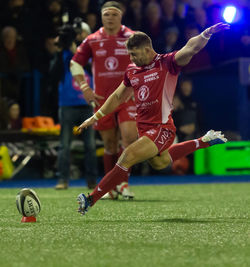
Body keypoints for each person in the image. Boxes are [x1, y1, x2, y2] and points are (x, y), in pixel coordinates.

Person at [76, 22, 230, 215]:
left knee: (127, 156)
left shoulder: (167, 63)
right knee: (160, 163)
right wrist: (94, 117)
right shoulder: (132, 71)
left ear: (147, 50)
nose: (131, 58)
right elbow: (117, 97)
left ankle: (90, 200)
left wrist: (206, 33)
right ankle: (203, 141)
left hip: (162, 128)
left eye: (134, 54)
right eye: (129, 54)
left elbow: (190, 48)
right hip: (145, 130)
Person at [70, 1, 137, 199]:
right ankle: (110, 187)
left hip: (127, 97)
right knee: (109, 144)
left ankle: (123, 184)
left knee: (129, 138)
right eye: (106, 14)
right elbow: (75, 63)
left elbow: (146, 60)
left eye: (114, 14)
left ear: (121, 16)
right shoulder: (92, 40)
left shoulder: (132, 37)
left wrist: (138, 85)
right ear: (101, 17)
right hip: (102, 100)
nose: (110, 18)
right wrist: (85, 88)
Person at [54, 22, 98, 189]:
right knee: (65, 144)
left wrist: (76, 53)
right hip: (67, 104)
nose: (80, 37)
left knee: (90, 145)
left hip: (86, 103)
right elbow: (53, 74)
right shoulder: (63, 54)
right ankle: (63, 180)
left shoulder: (91, 53)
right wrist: (60, 51)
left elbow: (92, 69)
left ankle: (92, 180)